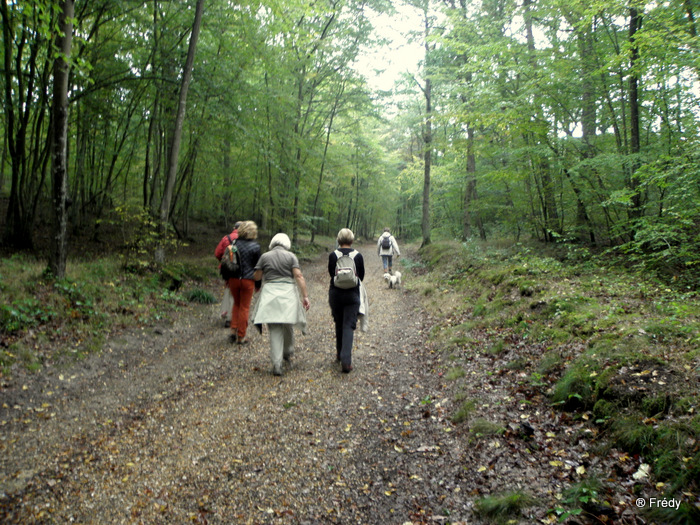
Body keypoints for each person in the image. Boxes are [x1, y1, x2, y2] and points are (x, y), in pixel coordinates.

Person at [252, 233, 310, 376]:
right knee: (287, 322)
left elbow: (257, 277)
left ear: (273, 243)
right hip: (287, 293)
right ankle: (288, 350)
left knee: (274, 328)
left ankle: (277, 364)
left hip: (270, 293)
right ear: (286, 243)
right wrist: (305, 296)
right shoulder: (291, 257)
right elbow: (299, 276)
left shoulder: (265, 257)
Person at [215, 220, 260, 344]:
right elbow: (258, 268)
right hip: (248, 280)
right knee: (244, 307)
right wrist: (258, 284)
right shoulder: (255, 247)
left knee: (236, 304)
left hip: (233, 279)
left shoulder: (234, 243)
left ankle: (233, 331)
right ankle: (241, 336)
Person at [328, 228, 365, 373]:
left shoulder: (333, 255)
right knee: (349, 325)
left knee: (338, 322)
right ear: (352, 240)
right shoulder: (358, 256)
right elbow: (361, 276)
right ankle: (346, 360)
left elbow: (331, 273)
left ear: (338, 240)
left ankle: (339, 352)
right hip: (352, 295)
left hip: (335, 294)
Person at [215, 221, 240, 327]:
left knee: (229, 290)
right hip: (239, 270)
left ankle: (226, 313)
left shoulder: (227, 238)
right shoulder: (244, 240)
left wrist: (225, 262)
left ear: (234, 227)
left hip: (228, 270)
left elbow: (217, 253)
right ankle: (232, 317)